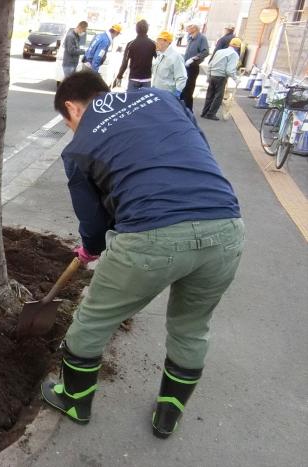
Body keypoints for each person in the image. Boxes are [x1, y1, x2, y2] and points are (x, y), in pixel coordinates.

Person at [42, 70, 244, 440]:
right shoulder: (165, 99)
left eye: (67, 121)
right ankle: (168, 415)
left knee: (91, 321)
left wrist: (90, 247)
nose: (71, 128)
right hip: (225, 226)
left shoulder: (78, 148)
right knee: (191, 328)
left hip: (152, 236)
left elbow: (94, 224)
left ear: (71, 107)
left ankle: (74, 400)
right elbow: (195, 148)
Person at [202, 38, 242, 120]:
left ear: (230, 44)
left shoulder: (219, 51)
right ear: (238, 47)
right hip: (221, 77)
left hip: (213, 75)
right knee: (218, 96)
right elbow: (229, 70)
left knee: (210, 95)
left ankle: (204, 112)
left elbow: (210, 64)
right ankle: (211, 114)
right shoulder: (234, 54)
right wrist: (236, 79)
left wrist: (208, 76)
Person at [113, 19, 156, 91]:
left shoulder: (131, 44)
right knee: (145, 101)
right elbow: (159, 59)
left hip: (133, 78)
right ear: (147, 29)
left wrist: (119, 76)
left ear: (136, 29)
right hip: (147, 78)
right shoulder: (153, 44)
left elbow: (125, 63)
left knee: (132, 100)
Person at [180, 23, 209, 111]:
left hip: (193, 66)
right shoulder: (189, 37)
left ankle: (188, 109)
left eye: (190, 26)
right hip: (186, 66)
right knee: (183, 87)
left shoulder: (201, 38)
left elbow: (205, 52)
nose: (187, 28)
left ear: (195, 28)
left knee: (189, 89)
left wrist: (194, 58)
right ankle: (182, 108)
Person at [151, 30, 187, 97]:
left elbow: (182, 77)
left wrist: (177, 92)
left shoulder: (176, 57)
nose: (156, 43)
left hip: (167, 95)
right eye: (157, 41)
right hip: (156, 92)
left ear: (167, 42)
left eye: (159, 41)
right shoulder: (160, 55)